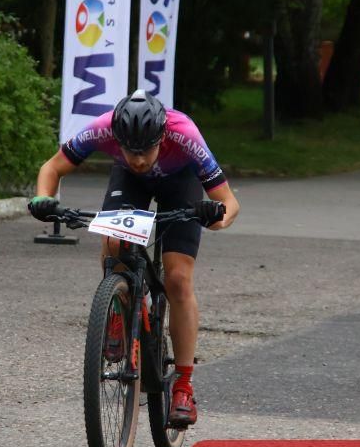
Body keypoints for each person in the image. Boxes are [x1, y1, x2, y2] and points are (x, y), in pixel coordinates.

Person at [27, 91, 240, 428]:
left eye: (146, 151)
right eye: (131, 150)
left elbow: (229, 202)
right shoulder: (102, 128)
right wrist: (42, 198)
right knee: (113, 243)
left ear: (162, 137)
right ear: (117, 140)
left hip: (179, 183)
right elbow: (52, 167)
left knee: (178, 278)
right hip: (129, 184)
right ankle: (118, 308)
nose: (139, 159)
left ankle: (183, 387)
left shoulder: (184, 133)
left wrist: (214, 216)